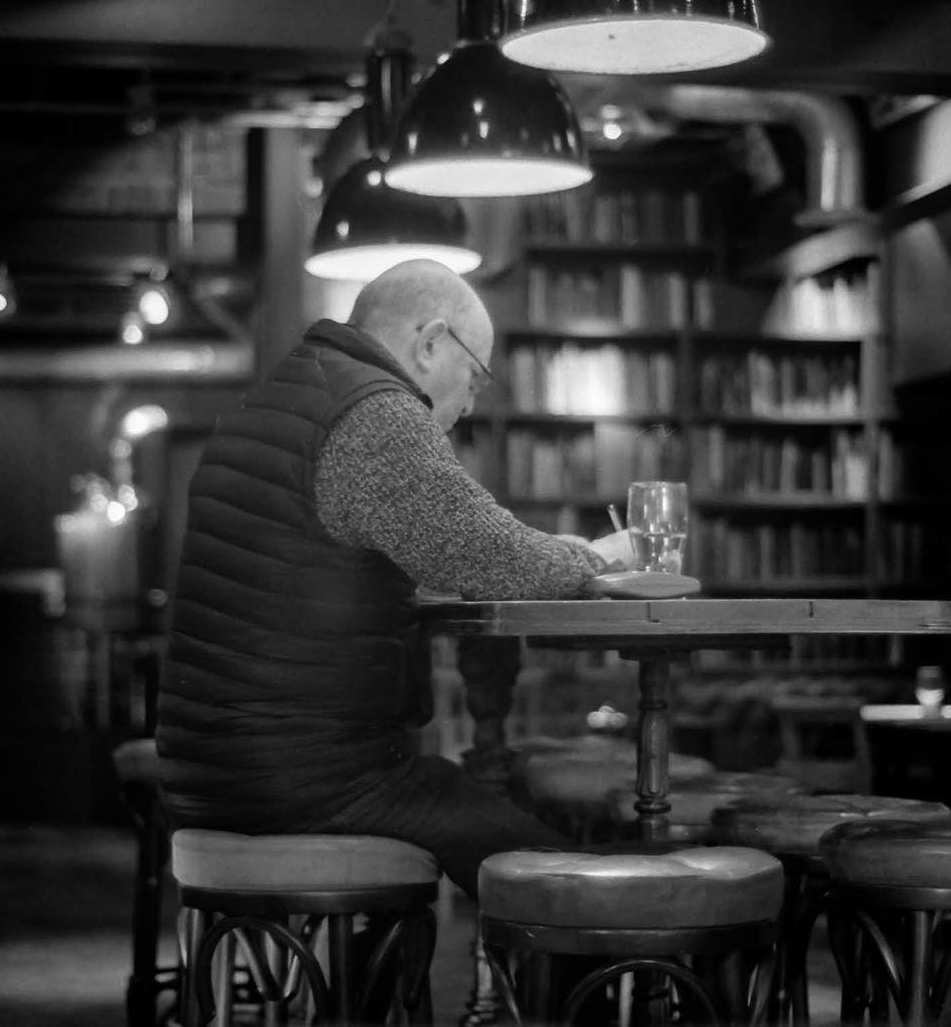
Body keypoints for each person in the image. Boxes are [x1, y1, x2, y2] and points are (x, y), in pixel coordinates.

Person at [157, 259, 635, 900]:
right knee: (540, 863)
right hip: (306, 778)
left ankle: (386, 991)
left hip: (204, 771)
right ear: (431, 341)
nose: (468, 405)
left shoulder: (276, 396)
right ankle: (589, 985)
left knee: (457, 790)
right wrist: (598, 558)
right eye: (475, 377)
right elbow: (484, 554)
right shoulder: (374, 412)